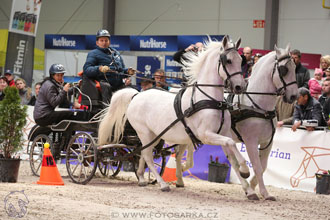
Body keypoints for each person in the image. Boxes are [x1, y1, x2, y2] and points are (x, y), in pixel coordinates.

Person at [83, 29, 135, 94]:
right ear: (97, 43)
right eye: (101, 40)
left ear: (109, 42)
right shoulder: (93, 54)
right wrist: (99, 68)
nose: (104, 42)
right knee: (106, 87)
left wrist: (127, 72)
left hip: (119, 85)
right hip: (103, 85)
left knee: (132, 91)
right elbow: (86, 70)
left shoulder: (116, 53)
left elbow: (121, 70)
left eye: (106, 40)